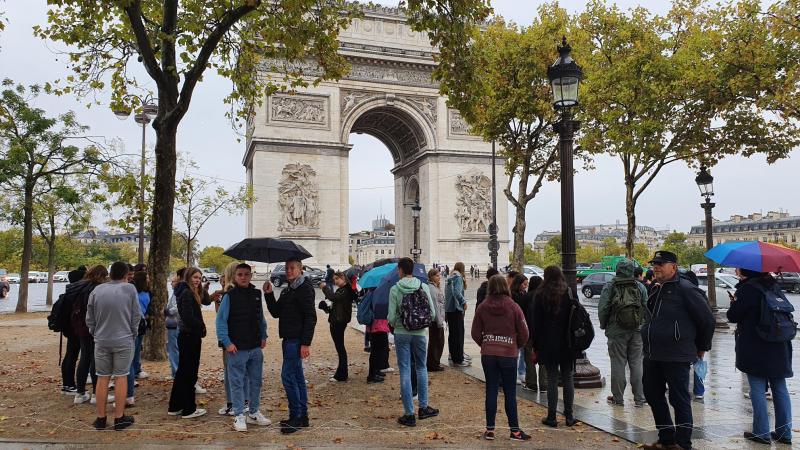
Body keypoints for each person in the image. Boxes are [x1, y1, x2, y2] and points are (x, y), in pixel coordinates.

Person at [641, 251, 715, 450]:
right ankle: (667, 438)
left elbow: (707, 320)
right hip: (653, 354)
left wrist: (702, 347)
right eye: (654, 264)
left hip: (676, 354)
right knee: (652, 394)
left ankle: (683, 443)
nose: (656, 267)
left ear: (673, 266)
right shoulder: (656, 289)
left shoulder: (686, 289)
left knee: (679, 400)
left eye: (661, 264)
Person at [727, 268, 793, 445]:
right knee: (780, 388)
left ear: (745, 270)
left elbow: (733, 316)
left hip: (755, 345)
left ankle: (761, 432)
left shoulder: (747, 289)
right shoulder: (773, 285)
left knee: (757, 388)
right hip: (779, 343)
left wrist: (734, 302)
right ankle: (785, 432)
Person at [471, 274, 531, 441]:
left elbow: (475, 332)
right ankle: (515, 431)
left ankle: (490, 429)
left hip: (489, 353)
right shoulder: (513, 306)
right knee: (510, 392)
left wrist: (485, 343)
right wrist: (515, 344)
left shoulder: (483, 306)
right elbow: (525, 332)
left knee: (491, 390)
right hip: (508, 353)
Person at [263, 258, 317, 434]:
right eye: (287, 268)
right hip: (288, 339)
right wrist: (269, 294)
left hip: (296, 341)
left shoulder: (304, 289)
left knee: (288, 377)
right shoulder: (288, 290)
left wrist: (306, 343)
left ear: (300, 270)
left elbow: (311, 317)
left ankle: (296, 416)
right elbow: (276, 312)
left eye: (292, 268)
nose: (288, 271)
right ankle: (302, 416)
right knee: (298, 378)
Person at [216, 263, 271, 432]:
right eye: (240, 274)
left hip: (255, 347)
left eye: (246, 274)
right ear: (235, 276)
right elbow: (220, 321)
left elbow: (260, 317)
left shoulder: (256, 294)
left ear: (251, 275)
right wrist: (227, 343)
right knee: (237, 383)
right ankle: (239, 415)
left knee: (256, 382)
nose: (243, 277)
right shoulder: (229, 296)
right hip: (236, 348)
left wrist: (263, 335)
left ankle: (253, 412)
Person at [85, 261, 140, 430]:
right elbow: (135, 314)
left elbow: (90, 317)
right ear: (125, 275)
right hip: (123, 338)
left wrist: (96, 332)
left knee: (102, 377)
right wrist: (133, 333)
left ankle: (101, 418)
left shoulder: (97, 290)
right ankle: (119, 417)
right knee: (121, 376)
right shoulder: (130, 289)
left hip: (101, 339)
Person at [388, 257, 439, 427]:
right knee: (421, 367)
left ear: (401, 270)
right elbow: (432, 314)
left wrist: (399, 324)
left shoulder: (395, 289)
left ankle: (409, 414)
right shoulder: (423, 286)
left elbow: (390, 317)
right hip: (419, 333)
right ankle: (423, 408)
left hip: (402, 333)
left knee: (405, 370)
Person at [597, 258, 647, 408]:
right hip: (637, 330)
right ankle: (639, 398)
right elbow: (645, 306)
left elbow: (603, 309)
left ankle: (618, 398)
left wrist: (604, 325)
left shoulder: (610, 286)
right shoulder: (639, 286)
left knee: (618, 363)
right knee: (637, 363)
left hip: (616, 330)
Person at [532, 266, 577, 428]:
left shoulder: (540, 294)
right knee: (568, 377)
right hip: (567, 341)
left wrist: (535, 345)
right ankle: (569, 415)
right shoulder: (569, 292)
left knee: (551, 378)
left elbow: (535, 323)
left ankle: (552, 416)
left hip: (548, 342)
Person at [168, 267, 212, 419]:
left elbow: (206, 301)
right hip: (190, 335)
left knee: (182, 372)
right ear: (188, 277)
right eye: (195, 277)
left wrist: (203, 289)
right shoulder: (186, 293)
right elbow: (188, 316)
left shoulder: (188, 291)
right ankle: (188, 408)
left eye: (199, 278)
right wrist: (201, 328)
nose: (197, 280)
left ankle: (175, 405)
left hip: (187, 335)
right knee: (189, 373)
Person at [70, 265, 107, 405]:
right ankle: (97, 394)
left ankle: (80, 392)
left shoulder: (80, 287)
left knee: (85, 358)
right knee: (95, 360)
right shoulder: (96, 290)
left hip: (80, 327)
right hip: (93, 327)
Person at [214, 261, 243, 416]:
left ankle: (232, 404)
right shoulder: (238, 291)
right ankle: (239, 402)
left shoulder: (229, 292)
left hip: (230, 338)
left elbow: (221, 318)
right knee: (238, 372)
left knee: (230, 372)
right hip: (237, 337)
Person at [319, 271, 357, 381]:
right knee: (339, 348)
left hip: (339, 323)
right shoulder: (342, 290)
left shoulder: (345, 291)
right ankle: (341, 373)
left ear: (343, 279)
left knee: (340, 348)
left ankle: (341, 374)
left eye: (337, 279)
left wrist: (324, 288)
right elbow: (335, 307)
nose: (335, 281)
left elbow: (333, 297)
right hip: (336, 321)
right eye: (334, 279)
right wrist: (325, 308)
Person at [59, 265, 87, 396]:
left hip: (69, 328)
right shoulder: (76, 294)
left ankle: (67, 384)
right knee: (72, 355)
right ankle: (69, 384)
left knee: (70, 355)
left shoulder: (69, 292)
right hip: (75, 329)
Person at [124, 271, 151, 407]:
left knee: (136, 353)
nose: (148, 280)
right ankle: (129, 389)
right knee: (130, 355)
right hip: (133, 326)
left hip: (141, 326)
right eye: (146, 278)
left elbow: (148, 308)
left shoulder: (147, 292)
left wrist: (147, 317)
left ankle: (135, 372)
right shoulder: (132, 291)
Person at [524, 275, 546, 392]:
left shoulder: (527, 297)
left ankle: (531, 383)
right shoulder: (545, 297)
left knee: (529, 359)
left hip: (529, 332)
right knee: (543, 359)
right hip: (543, 333)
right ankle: (544, 384)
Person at [445, 262, 469, 367]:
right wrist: (463, 302)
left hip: (449, 309)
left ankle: (453, 355)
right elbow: (457, 292)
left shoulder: (450, 276)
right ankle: (459, 359)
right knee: (458, 334)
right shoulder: (458, 277)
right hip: (456, 308)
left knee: (452, 334)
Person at [164, 268, 186, 380]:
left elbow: (176, 308)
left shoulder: (180, 293)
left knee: (174, 349)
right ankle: (174, 371)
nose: (171, 283)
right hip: (171, 324)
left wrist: (166, 311)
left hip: (175, 324)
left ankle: (176, 372)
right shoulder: (175, 293)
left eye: (173, 281)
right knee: (172, 349)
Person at [510, 274, 529, 386]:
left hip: (522, 324)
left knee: (522, 351)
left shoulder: (523, 294)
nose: (526, 286)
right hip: (515, 326)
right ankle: (517, 373)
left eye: (527, 284)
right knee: (516, 351)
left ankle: (522, 373)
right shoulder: (513, 295)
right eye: (524, 284)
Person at [426, 268, 446, 372]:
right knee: (437, 342)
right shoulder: (432, 289)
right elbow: (436, 306)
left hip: (437, 319)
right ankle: (433, 364)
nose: (439, 278)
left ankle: (433, 363)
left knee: (436, 341)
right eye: (437, 276)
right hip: (436, 320)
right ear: (432, 277)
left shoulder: (434, 287)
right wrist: (440, 322)